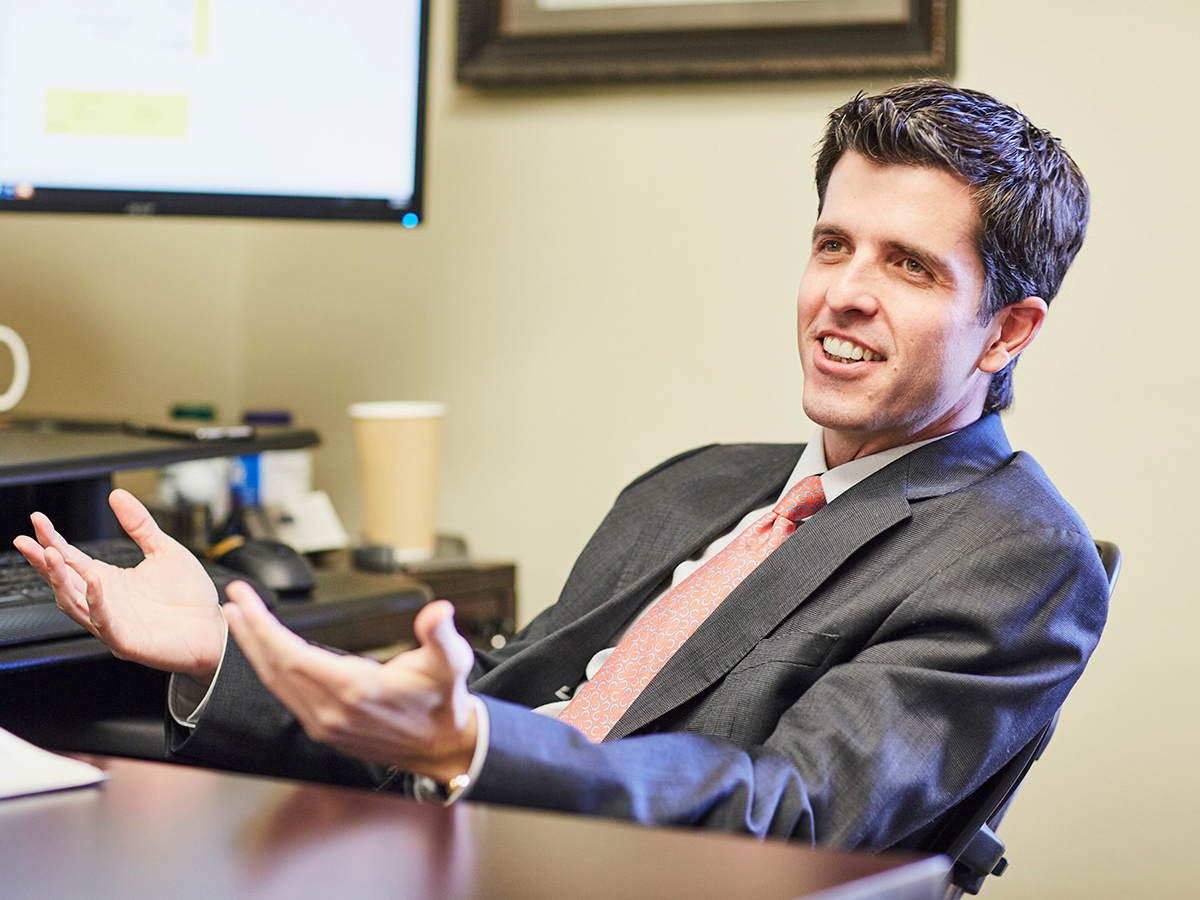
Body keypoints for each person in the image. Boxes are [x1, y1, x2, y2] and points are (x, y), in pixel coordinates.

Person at [15, 80, 1108, 851]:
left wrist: (474, 744)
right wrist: (218, 647)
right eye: (833, 244)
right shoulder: (698, 485)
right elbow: (472, 724)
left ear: (1008, 331)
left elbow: (791, 811)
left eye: (909, 266)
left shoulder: (1015, 558)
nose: (845, 294)